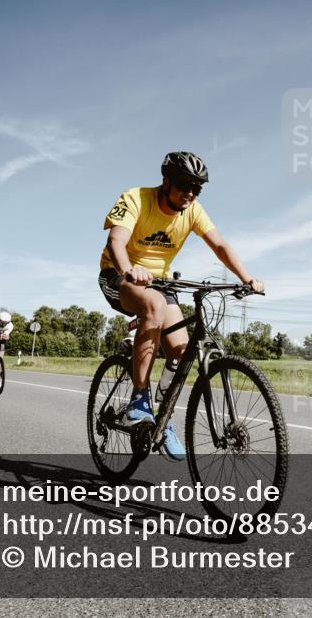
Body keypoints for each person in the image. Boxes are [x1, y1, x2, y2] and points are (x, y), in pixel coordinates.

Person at [98, 151, 264, 461]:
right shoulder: (136, 198)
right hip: (118, 275)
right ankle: (138, 399)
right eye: (184, 185)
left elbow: (220, 246)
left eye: (196, 188)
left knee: (180, 350)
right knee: (152, 307)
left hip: (161, 284)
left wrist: (247, 278)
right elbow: (116, 242)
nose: (189, 193)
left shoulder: (194, 210)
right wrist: (129, 271)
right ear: (166, 181)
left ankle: (164, 415)